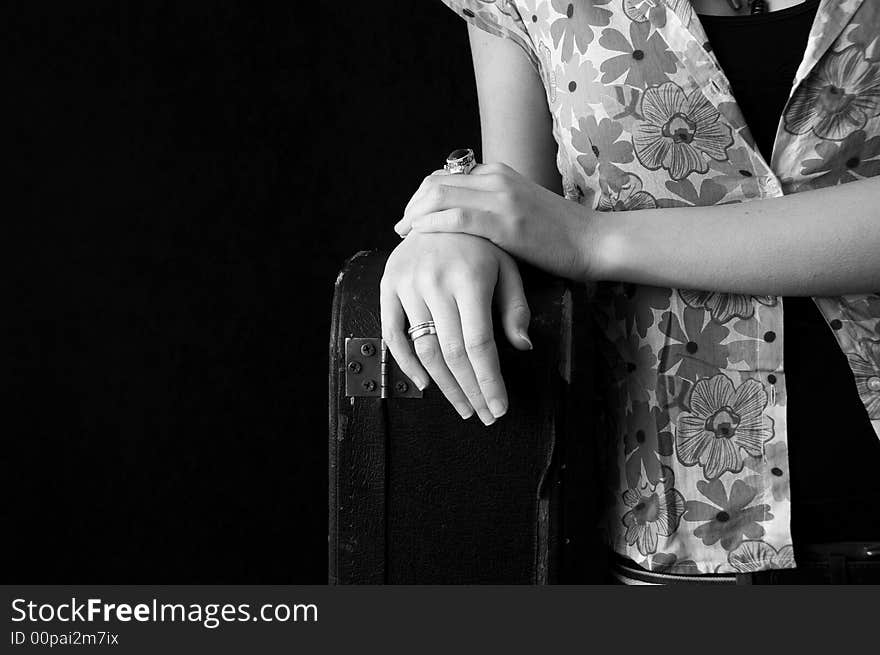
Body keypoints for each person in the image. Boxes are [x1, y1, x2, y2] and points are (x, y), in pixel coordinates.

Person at [380, 0, 880, 583]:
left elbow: (564, 231)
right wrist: (452, 232)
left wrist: (597, 239)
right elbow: (523, 208)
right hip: (678, 549)